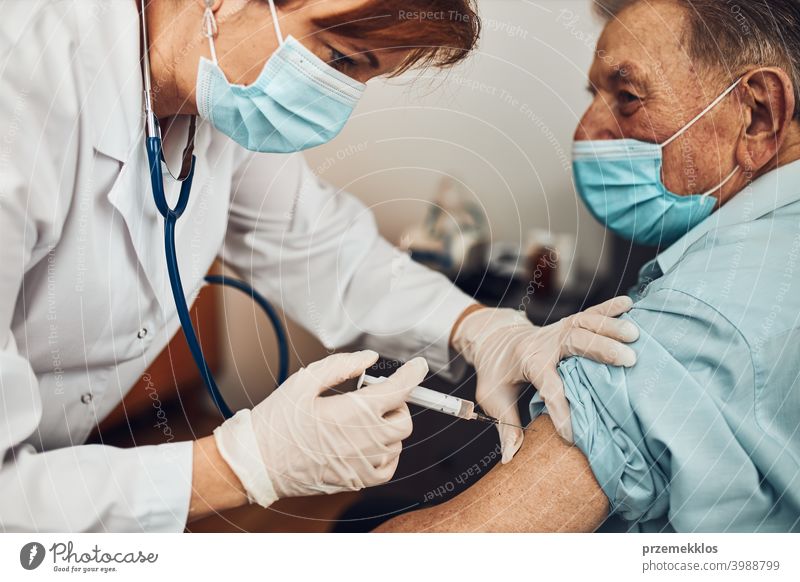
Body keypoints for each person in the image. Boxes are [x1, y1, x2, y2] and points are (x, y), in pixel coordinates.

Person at [0, 0, 638, 532]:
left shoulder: (213, 82)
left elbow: (318, 244)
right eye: (338, 59)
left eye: (364, 76)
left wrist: (479, 328)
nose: (336, 106)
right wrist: (243, 464)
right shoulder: (19, 92)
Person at [377, 0, 800, 533]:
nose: (587, 130)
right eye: (594, 97)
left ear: (758, 114)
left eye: (626, 97)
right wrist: (481, 329)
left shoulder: (704, 316)